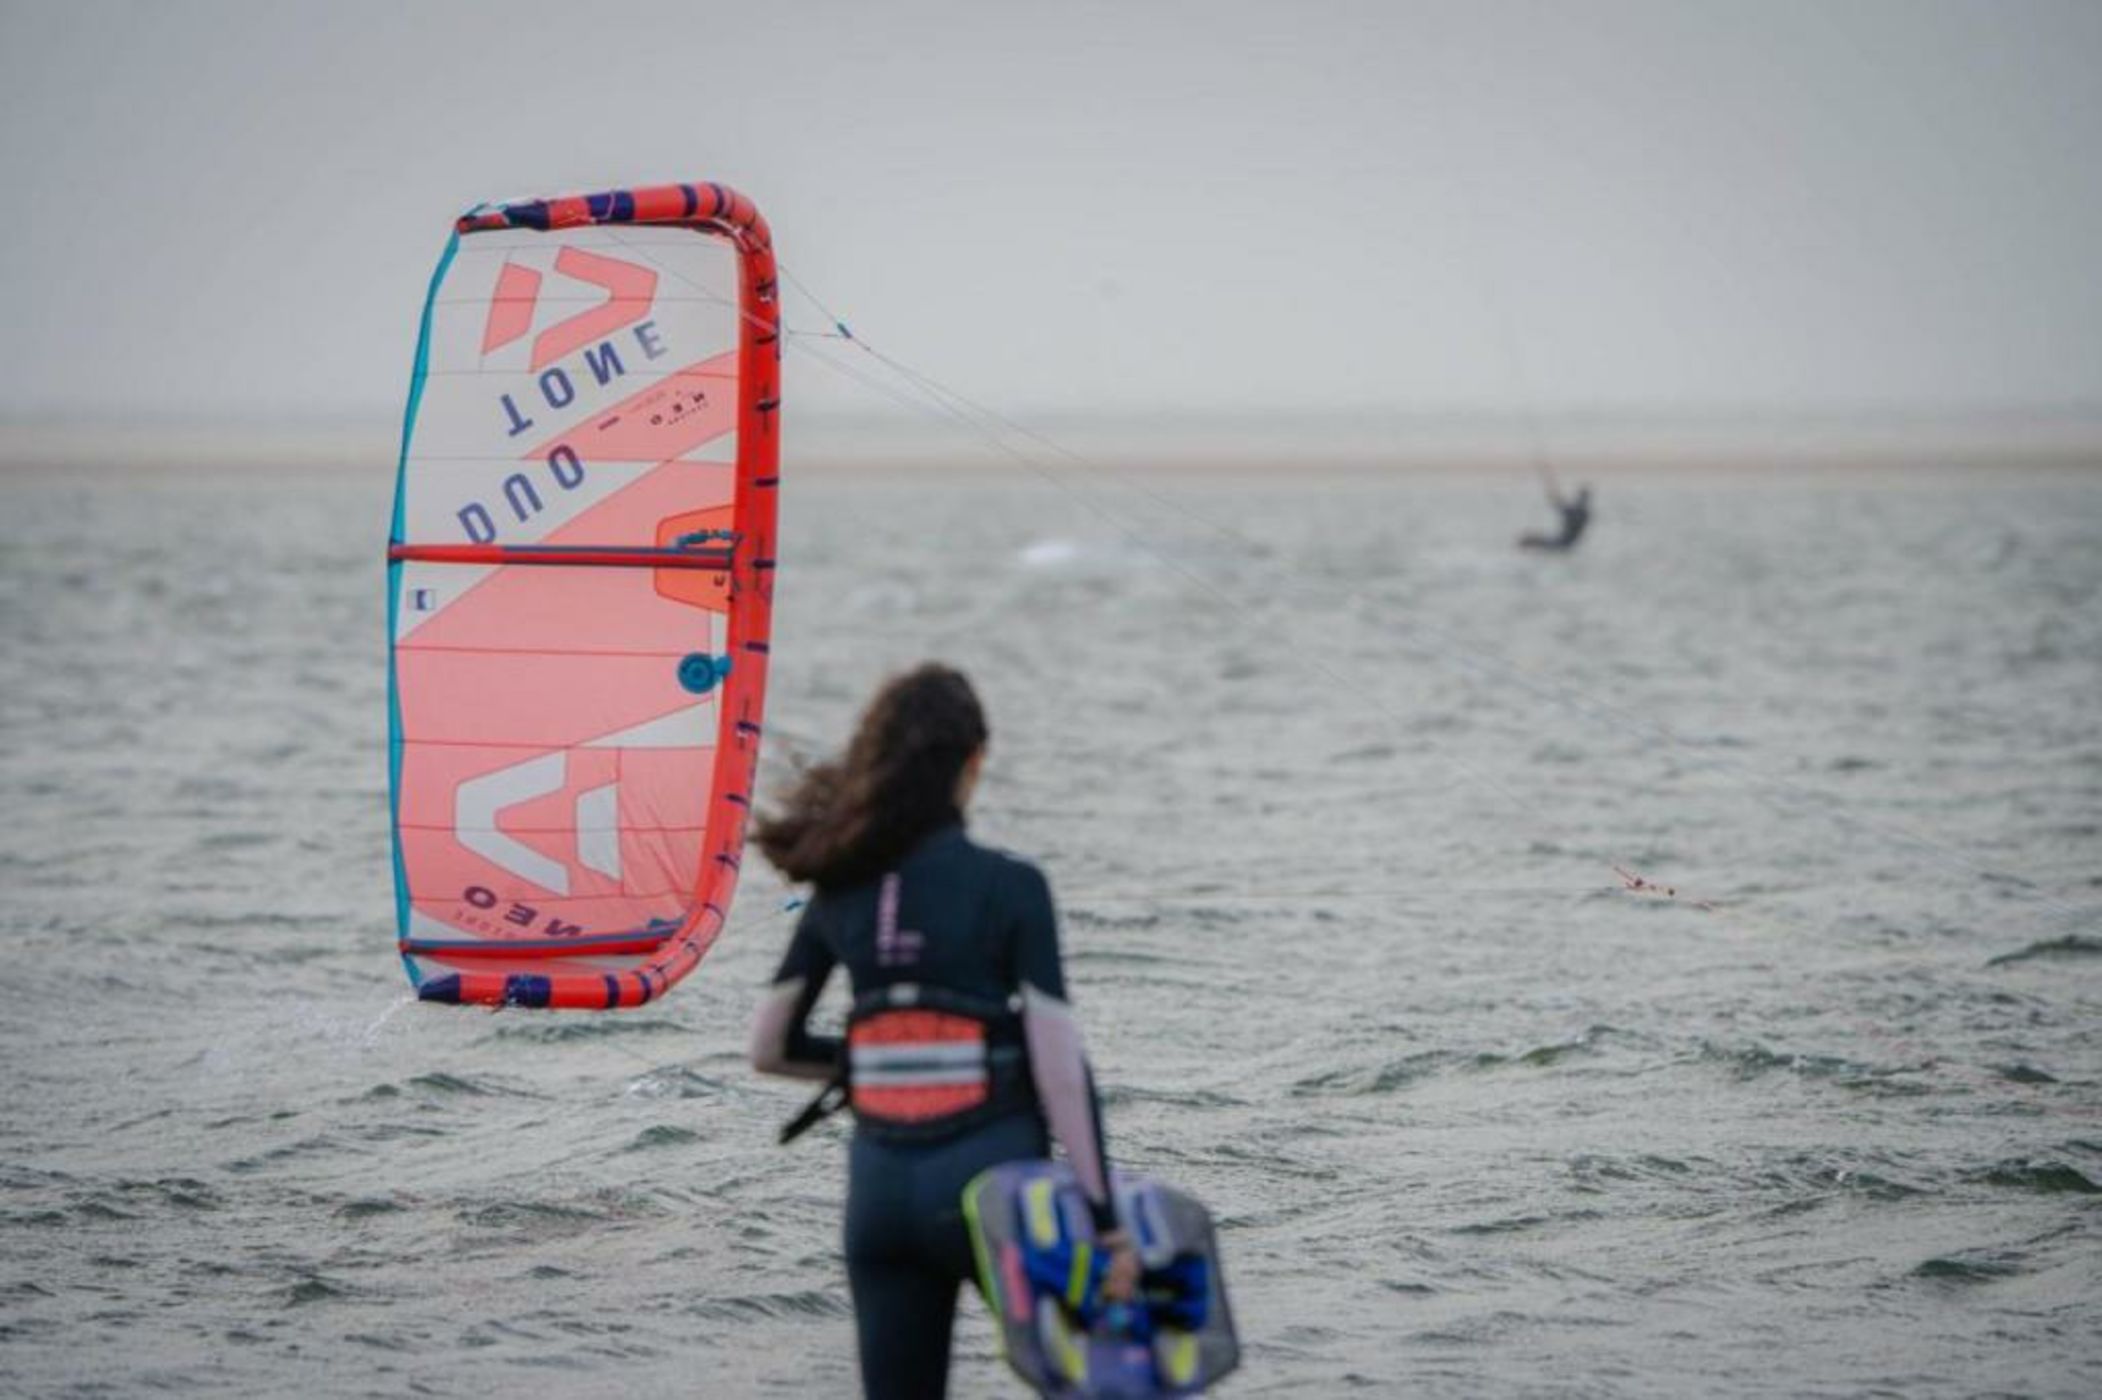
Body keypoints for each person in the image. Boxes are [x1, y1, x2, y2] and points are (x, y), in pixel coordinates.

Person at [748, 663, 1138, 1399]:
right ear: (972, 762)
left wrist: (880, 1059)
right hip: (996, 1192)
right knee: (1103, 1383)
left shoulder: (838, 886)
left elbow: (769, 1048)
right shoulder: (1012, 886)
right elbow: (1059, 1066)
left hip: (879, 1202)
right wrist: (1107, 1224)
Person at [1518, 481, 1593, 551]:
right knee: (1533, 539)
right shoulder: (1584, 514)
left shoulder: (1579, 514)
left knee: (1530, 540)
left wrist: (1555, 498)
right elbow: (1565, 509)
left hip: (1562, 543)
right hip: (1566, 543)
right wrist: (1556, 499)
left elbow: (1566, 510)